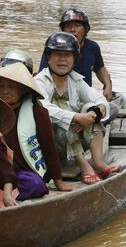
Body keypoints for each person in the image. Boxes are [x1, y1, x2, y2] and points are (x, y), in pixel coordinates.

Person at [34, 32, 120, 185]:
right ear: (48, 57)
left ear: (74, 59)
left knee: (91, 107)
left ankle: (98, 162)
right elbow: (45, 108)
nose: (62, 59)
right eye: (57, 54)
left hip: (75, 139)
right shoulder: (39, 81)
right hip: (50, 143)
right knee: (62, 115)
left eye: (67, 55)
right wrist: (76, 117)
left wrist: (93, 113)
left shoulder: (76, 80)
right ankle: (84, 164)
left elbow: (100, 100)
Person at [0, 61, 73, 198]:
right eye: (1, 87)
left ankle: (5, 195)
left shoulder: (37, 112)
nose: (5, 91)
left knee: (36, 185)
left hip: (22, 172)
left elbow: (48, 147)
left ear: (22, 89)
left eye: (11, 87)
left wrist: (58, 181)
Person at [38, 9, 114, 102]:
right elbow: (43, 75)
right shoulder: (53, 48)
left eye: (77, 26)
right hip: (58, 95)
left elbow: (100, 68)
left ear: (85, 29)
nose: (72, 30)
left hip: (83, 95)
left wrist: (108, 86)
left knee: (109, 108)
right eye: (68, 26)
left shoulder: (92, 47)